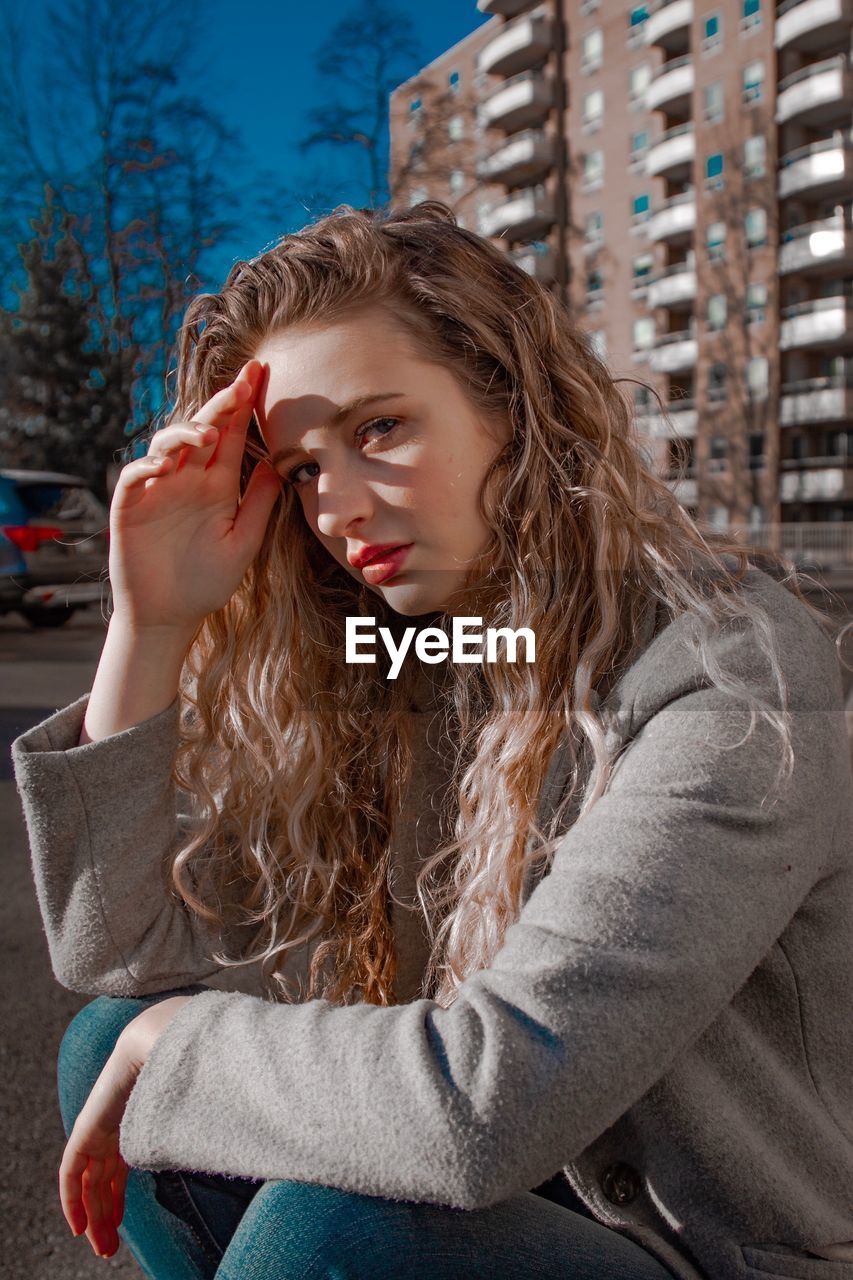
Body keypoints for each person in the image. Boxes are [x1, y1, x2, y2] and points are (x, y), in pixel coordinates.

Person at [12, 200, 853, 1280]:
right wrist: (151, 626)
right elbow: (118, 957)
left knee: (324, 1235)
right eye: (303, 467)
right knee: (106, 1046)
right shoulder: (414, 660)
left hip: (718, 1254)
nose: (338, 507)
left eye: (377, 430)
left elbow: (489, 1098)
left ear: (511, 405)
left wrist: (174, 1047)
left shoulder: (729, 670)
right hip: (520, 1199)